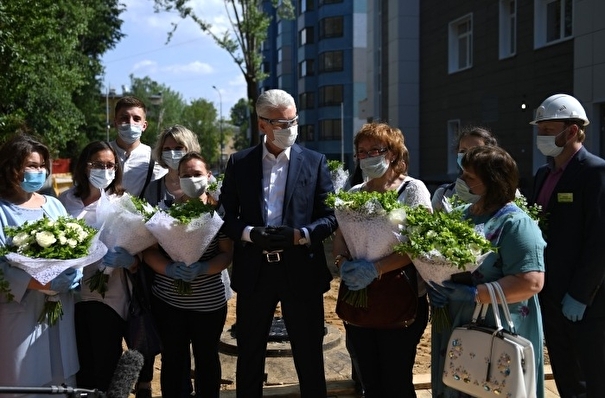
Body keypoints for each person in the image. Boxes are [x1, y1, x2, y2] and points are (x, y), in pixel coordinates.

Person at [219, 89, 338, 398]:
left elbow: (330, 217)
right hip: (255, 271)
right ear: (262, 125)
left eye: (294, 121)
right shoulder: (239, 163)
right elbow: (226, 215)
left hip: (301, 268)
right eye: (282, 123)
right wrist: (248, 233)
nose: (290, 128)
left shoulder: (314, 162)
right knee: (250, 353)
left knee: (309, 353)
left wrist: (301, 235)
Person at [429, 145, 546, 398]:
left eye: (470, 177)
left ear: (492, 181)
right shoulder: (461, 215)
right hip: (458, 324)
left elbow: (531, 282)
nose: (461, 181)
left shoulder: (516, 223)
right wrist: (435, 285)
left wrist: (475, 294)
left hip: (498, 330)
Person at [331, 121, 431, 397]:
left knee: (396, 381)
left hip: (398, 299)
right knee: (369, 382)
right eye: (362, 151)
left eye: (376, 149)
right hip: (358, 299)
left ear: (393, 153)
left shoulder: (412, 190)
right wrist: (342, 263)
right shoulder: (353, 195)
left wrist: (376, 268)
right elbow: (340, 236)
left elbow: (417, 244)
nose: (368, 156)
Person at [528, 93, 605, 397]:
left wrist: (580, 295)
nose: (541, 136)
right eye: (540, 130)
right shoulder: (543, 175)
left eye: (548, 130)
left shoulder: (594, 172)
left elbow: (599, 241)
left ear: (572, 131)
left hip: (584, 302)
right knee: (565, 377)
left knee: (592, 380)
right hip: (550, 296)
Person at [142, 152, 233, 398]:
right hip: (168, 302)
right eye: (186, 175)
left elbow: (226, 255)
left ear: (209, 176)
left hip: (209, 304)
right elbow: (149, 252)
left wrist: (204, 267)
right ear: (178, 178)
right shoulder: (166, 211)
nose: (191, 179)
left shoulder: (218, 212)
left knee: (207, 359)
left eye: (197, 174)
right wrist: (169, 268)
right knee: (173, 359)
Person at [0, 134, 83, 394]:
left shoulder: (54, 205)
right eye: (31, 166)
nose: (39, 172)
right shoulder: (2, 209)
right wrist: (37, 282)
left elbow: (76, 246)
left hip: (57, 308)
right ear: (10, 167)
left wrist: (74, 274)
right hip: (20, 312)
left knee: (60, 380)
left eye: (41, 166)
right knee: (23, 380)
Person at [58, 141, 134, 392]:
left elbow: (140, 255)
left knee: (105, 368)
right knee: (79, 367)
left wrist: (128, 260)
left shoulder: (124, 202)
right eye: (97, 164)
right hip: (71, 297)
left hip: (109, 298)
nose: (104, 170)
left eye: (110, 165)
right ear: (84, 166)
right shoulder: (64, 201)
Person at [110, 96, 166, 198]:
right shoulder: (102, 153)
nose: (131, 123)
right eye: (124, 118)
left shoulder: (155, 160)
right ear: (115, 123)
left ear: (144, 126)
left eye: (136, 119)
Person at [431, 126, 498, 211]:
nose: (467, 155)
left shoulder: (505, 193)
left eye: (475, 150)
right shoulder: (443, 194)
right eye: (463, 151)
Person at [143, 124, 201, 208]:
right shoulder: (153, 189)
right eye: (167, 149)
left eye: (178, 148)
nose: (172, 153)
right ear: (161, 152)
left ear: (190, 150)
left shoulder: (204, 183)